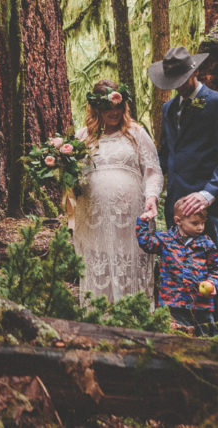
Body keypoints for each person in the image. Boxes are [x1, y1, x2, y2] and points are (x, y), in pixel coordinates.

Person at [148, 45, 218, 337]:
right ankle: (189, 337)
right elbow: (166, 155)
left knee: (215, 277)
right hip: (177, 211)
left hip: (210, 211)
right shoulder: (169, 109)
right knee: (178, 275)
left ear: (193, 73)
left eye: (180, 80)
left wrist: (207, 194)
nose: (176, 87)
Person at [70, 80, 163, 302]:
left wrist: (151, 197)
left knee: (128, 263)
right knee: (97, 264)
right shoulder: (82, 137)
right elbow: (72, 175)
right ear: (96, 109)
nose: (114, 112)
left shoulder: (136, 133)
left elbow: (153, 171)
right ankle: (98, 318)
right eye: (108, 107)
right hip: (94, 218)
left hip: (130, 218)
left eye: (118, 106)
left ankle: (133, 317)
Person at [135, 208, 218, 336]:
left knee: (206, 334)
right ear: (178, 221)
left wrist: (212, 282)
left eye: (203, 223)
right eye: (195, 223)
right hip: (173, 299)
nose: (200, 228)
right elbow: (146, 243)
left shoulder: (206, 243)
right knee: (179, 334)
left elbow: (216, 268)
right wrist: (143, 221)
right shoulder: (165, 239)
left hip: (200, 301)